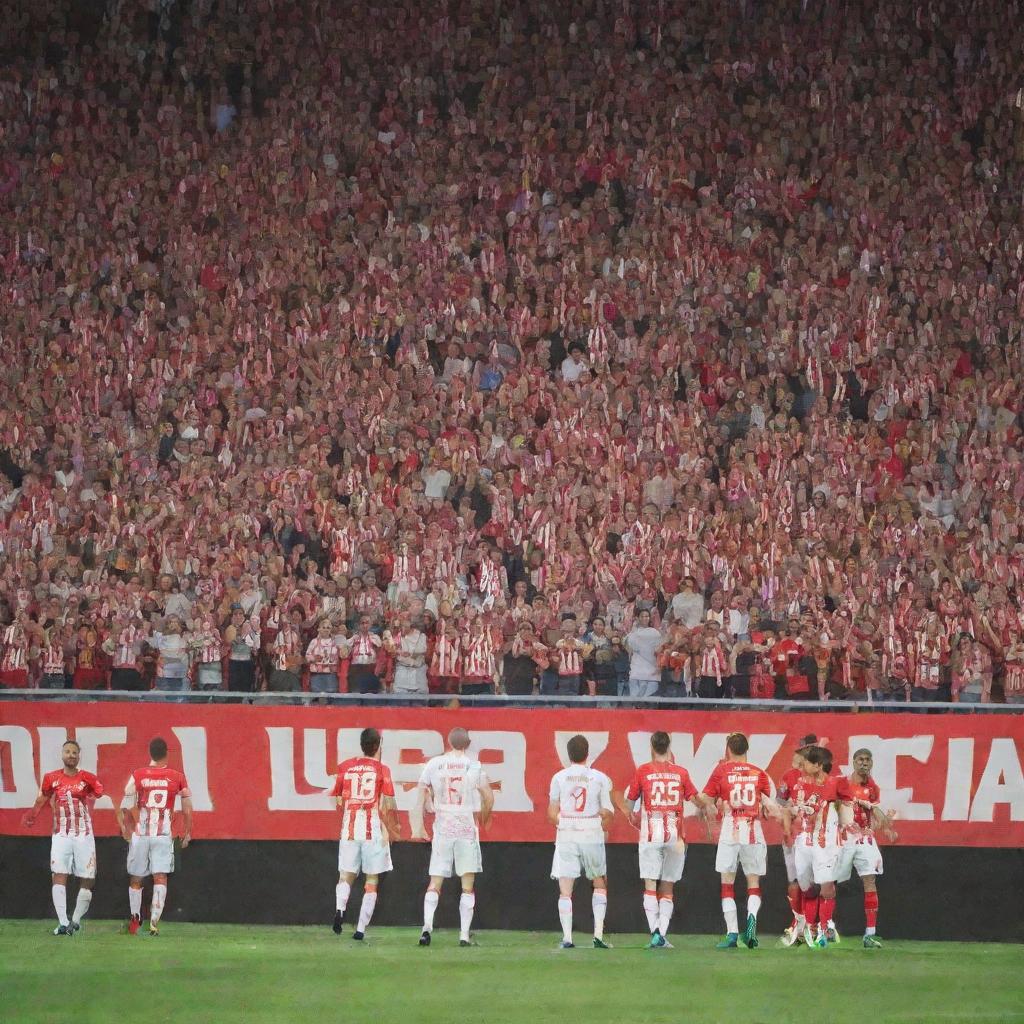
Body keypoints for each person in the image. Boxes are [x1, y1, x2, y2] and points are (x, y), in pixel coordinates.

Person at [615, 731, 710, 949]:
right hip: (675, 836)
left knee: (650, 884)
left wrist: (625, 806)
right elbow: (698, 801)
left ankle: (655, 933)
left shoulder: (643, 772)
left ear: (652, 747)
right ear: (669, 748)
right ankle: (662, 934)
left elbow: (629, 807)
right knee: (667, 886)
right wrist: (709, 804)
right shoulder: (681, 773)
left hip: (651, 835)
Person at [411, 727, 494, 947]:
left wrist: (418, 825)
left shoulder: (434, 764)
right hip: (466, 825)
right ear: (467, 744)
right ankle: (464, 935)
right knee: (467, 883)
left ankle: (426, 928)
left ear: (448, 742)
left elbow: (421, 793)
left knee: (435, 880)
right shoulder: (473, 766)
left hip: (444, 825)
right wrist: (486, 816)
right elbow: (488, 795)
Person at [702, 732, 779, 949]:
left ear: (728, 749)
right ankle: (752, 920)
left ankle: (732, 934)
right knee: (753, 881)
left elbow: (705, 799)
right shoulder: (759, 773)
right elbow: (766, 806)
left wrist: (710, 802)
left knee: (727, 881)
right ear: (747, 749)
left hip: (730, 828)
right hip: (753, 828)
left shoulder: (721, 771)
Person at [21, 740, 103, 935]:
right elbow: (42, 797)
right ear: (62, 754)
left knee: (88, 878)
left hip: (84, 834)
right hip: (61, 834)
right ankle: (63, 922)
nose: (71, 755)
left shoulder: (88, 778)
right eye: (68, 751)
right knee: (59, 873)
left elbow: (97, 794)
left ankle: (75, 919)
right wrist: (32, 814)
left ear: (79, 756)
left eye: (75, 752)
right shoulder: (51, 778)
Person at [114, 737, 192, 936]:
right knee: (160, 876)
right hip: (163, 834)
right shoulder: (177, 776)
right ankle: (154, 923)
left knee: (136, 876)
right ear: (167, 753)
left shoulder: (138, 774)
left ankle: (135, 919)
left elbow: (126, 796)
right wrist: (187, 831)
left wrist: (125, 826)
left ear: (150, 753)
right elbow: (186, 807)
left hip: (142, 833)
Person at [329, 728, 400, 940]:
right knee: (372, 879)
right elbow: (388, 803)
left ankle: (340, 910)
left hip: (350, 827)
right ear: (378, 746)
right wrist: (391, 827)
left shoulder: (345, 767)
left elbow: (338, 799)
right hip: (373, 828)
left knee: (346, 875)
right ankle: (360, 929)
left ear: (361, 744)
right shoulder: (382, 769)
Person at [548, 734, 614, 949]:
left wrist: (563, 822)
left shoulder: (559, 777)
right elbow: (607, 812)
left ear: (568, 755)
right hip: (591, 830)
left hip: (567, 830)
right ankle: (598, 936)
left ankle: (567, 937)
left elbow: (551, 812)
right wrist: (601, 825)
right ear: (587, 753)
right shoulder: (600, 778)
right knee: (599, 882)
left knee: (565, 887)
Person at [837, 748, 898, 949]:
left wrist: (887, 828)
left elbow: (874, 812)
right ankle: (821, 926)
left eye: (868, 760)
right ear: (853, 762)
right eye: (861, 759)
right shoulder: (842, 783)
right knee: (828, 881)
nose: (864, 763)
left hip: (864, 839)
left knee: (870, 881)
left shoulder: (872, 787)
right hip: (844, 838)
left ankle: (869, 934)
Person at [782, 744, 839, 949]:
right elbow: (790, 809)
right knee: (806, 887)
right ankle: (810, 927)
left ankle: (824, 930)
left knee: (825, 885)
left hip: (823, 843)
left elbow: (843, 804)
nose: (801, 764)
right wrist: (788, 830)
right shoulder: (797, 785)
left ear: (817, 765)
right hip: (803, 842)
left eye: (805, 761)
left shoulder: (833, 784)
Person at [776, 735, 820, 944]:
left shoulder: (824, 778)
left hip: (814, 837)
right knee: (794, 881)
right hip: (793, 836)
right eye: (805, 750)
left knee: (811, 882)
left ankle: (813, 924)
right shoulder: (789, 776)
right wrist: (787, 823)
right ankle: (798, 922)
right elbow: (780, 803)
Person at [624, 609, 662, 699]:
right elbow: (629, 647)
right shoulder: (633, 633)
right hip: (637, 667)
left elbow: (659, 649)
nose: (645, 618)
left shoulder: (655, 633)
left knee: (649, 699)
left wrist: (658, 665)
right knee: (635, 698)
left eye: (647, 616)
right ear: (638, 618)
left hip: (651, 668)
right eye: (642, 616)